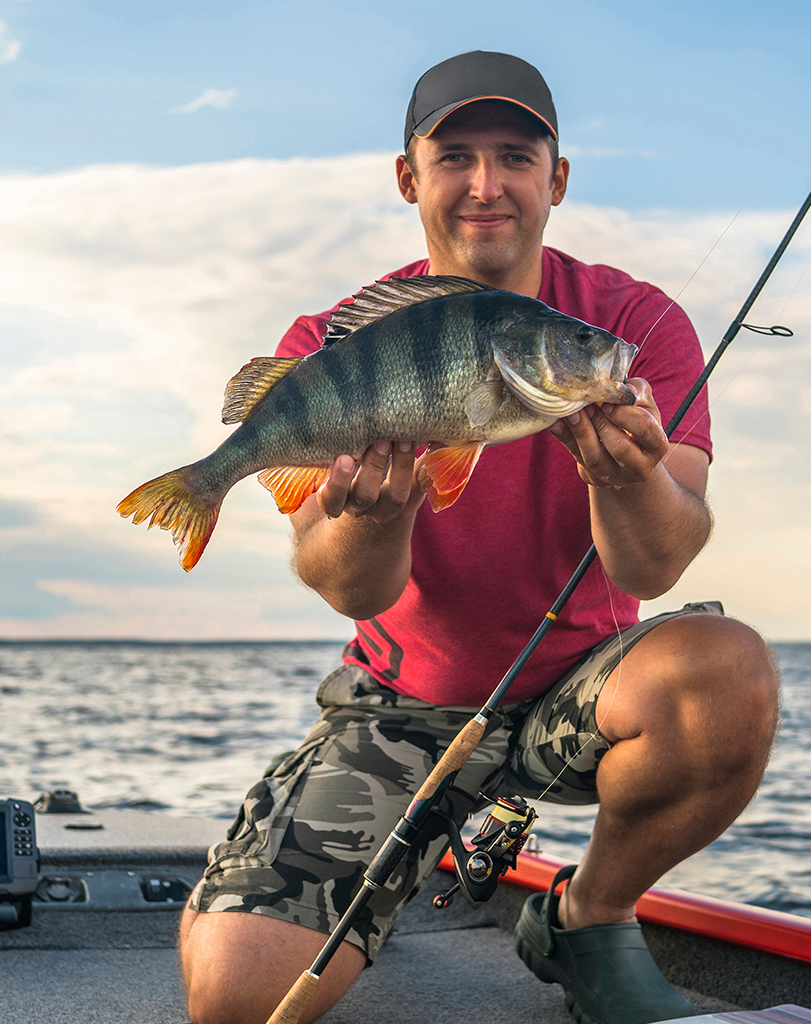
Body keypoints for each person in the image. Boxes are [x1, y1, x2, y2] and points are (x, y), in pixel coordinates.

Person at [179, 51, 778, 1024]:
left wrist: (623, 477)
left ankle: (588, 914)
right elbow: (346, 587)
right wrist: (380, 513)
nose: (486, 184)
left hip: (579, 690)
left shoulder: (635, 324)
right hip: (399, 708)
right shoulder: (329, 340)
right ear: (410, 176)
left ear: (558, 177)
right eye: (455, 156)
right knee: (238, 998)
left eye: (515, 154)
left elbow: (655, 561)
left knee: (728, 672)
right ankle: (362, 859)